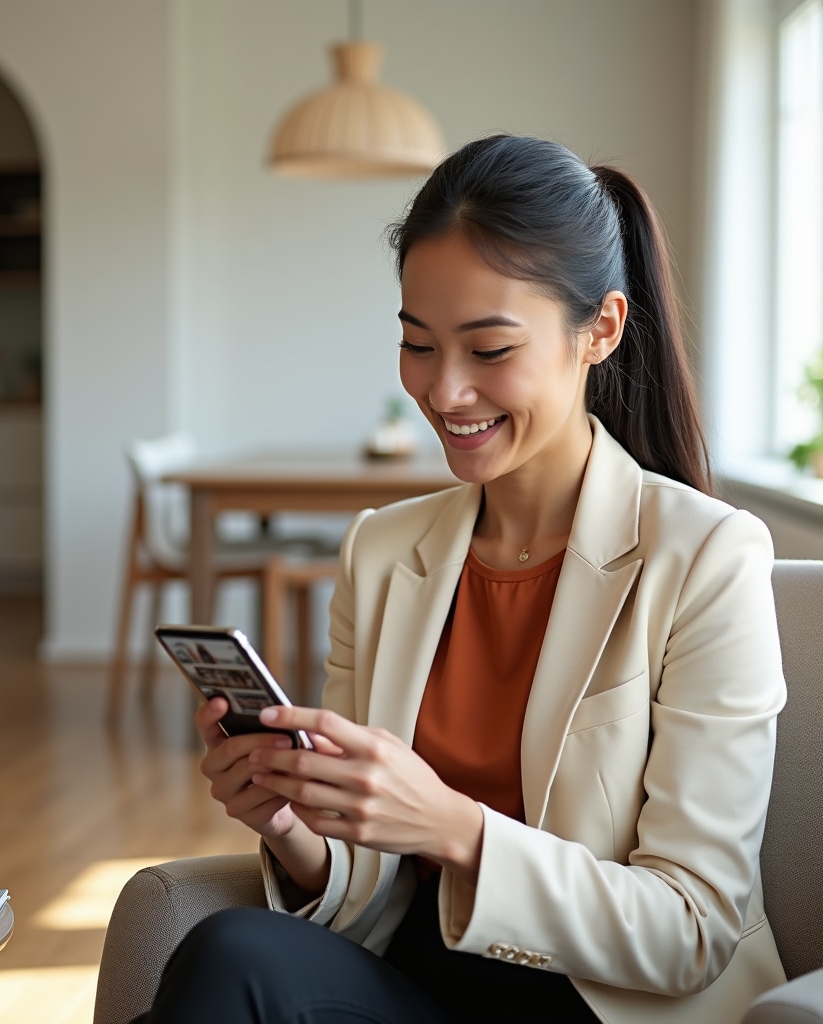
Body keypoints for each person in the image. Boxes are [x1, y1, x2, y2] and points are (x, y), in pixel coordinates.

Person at [138, 134, 787, 1023]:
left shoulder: (707, 558)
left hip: (593, 1007)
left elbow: (692, 927)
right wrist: (291, 826)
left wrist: (454, 828)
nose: (443, 393)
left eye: (487, 351)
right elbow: (370, 893)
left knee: (227, 966)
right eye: (417, 344)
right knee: (235, 957)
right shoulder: (381, 552)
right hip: (419, 989)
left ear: (601, 328)